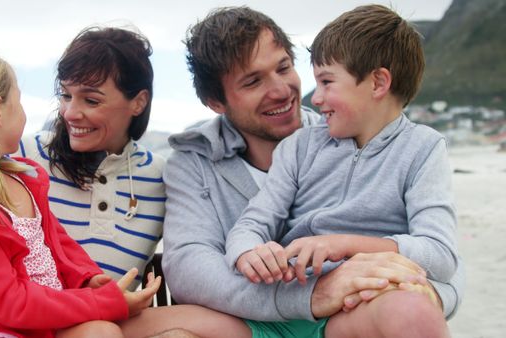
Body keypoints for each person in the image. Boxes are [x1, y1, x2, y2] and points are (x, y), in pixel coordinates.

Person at [0, 28, 250, 338]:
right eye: (65, 96)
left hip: (96, 317)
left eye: (91, 99)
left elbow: (59, 245)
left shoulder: (162, 176)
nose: (70, 113)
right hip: (33, 320)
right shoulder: (14, 158)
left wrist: (90, 280)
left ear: (138, 102)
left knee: (221, 328)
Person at [162, 5, 464, 338]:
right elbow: (190, 266)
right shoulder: (197, 164)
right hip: (269, 315)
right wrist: (310, 293)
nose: (282, 91)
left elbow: (442, 259)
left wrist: (420, 290)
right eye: (252, 81)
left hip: (354, 313)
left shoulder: (413, 146)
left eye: (284, 68)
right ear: (215, 102)